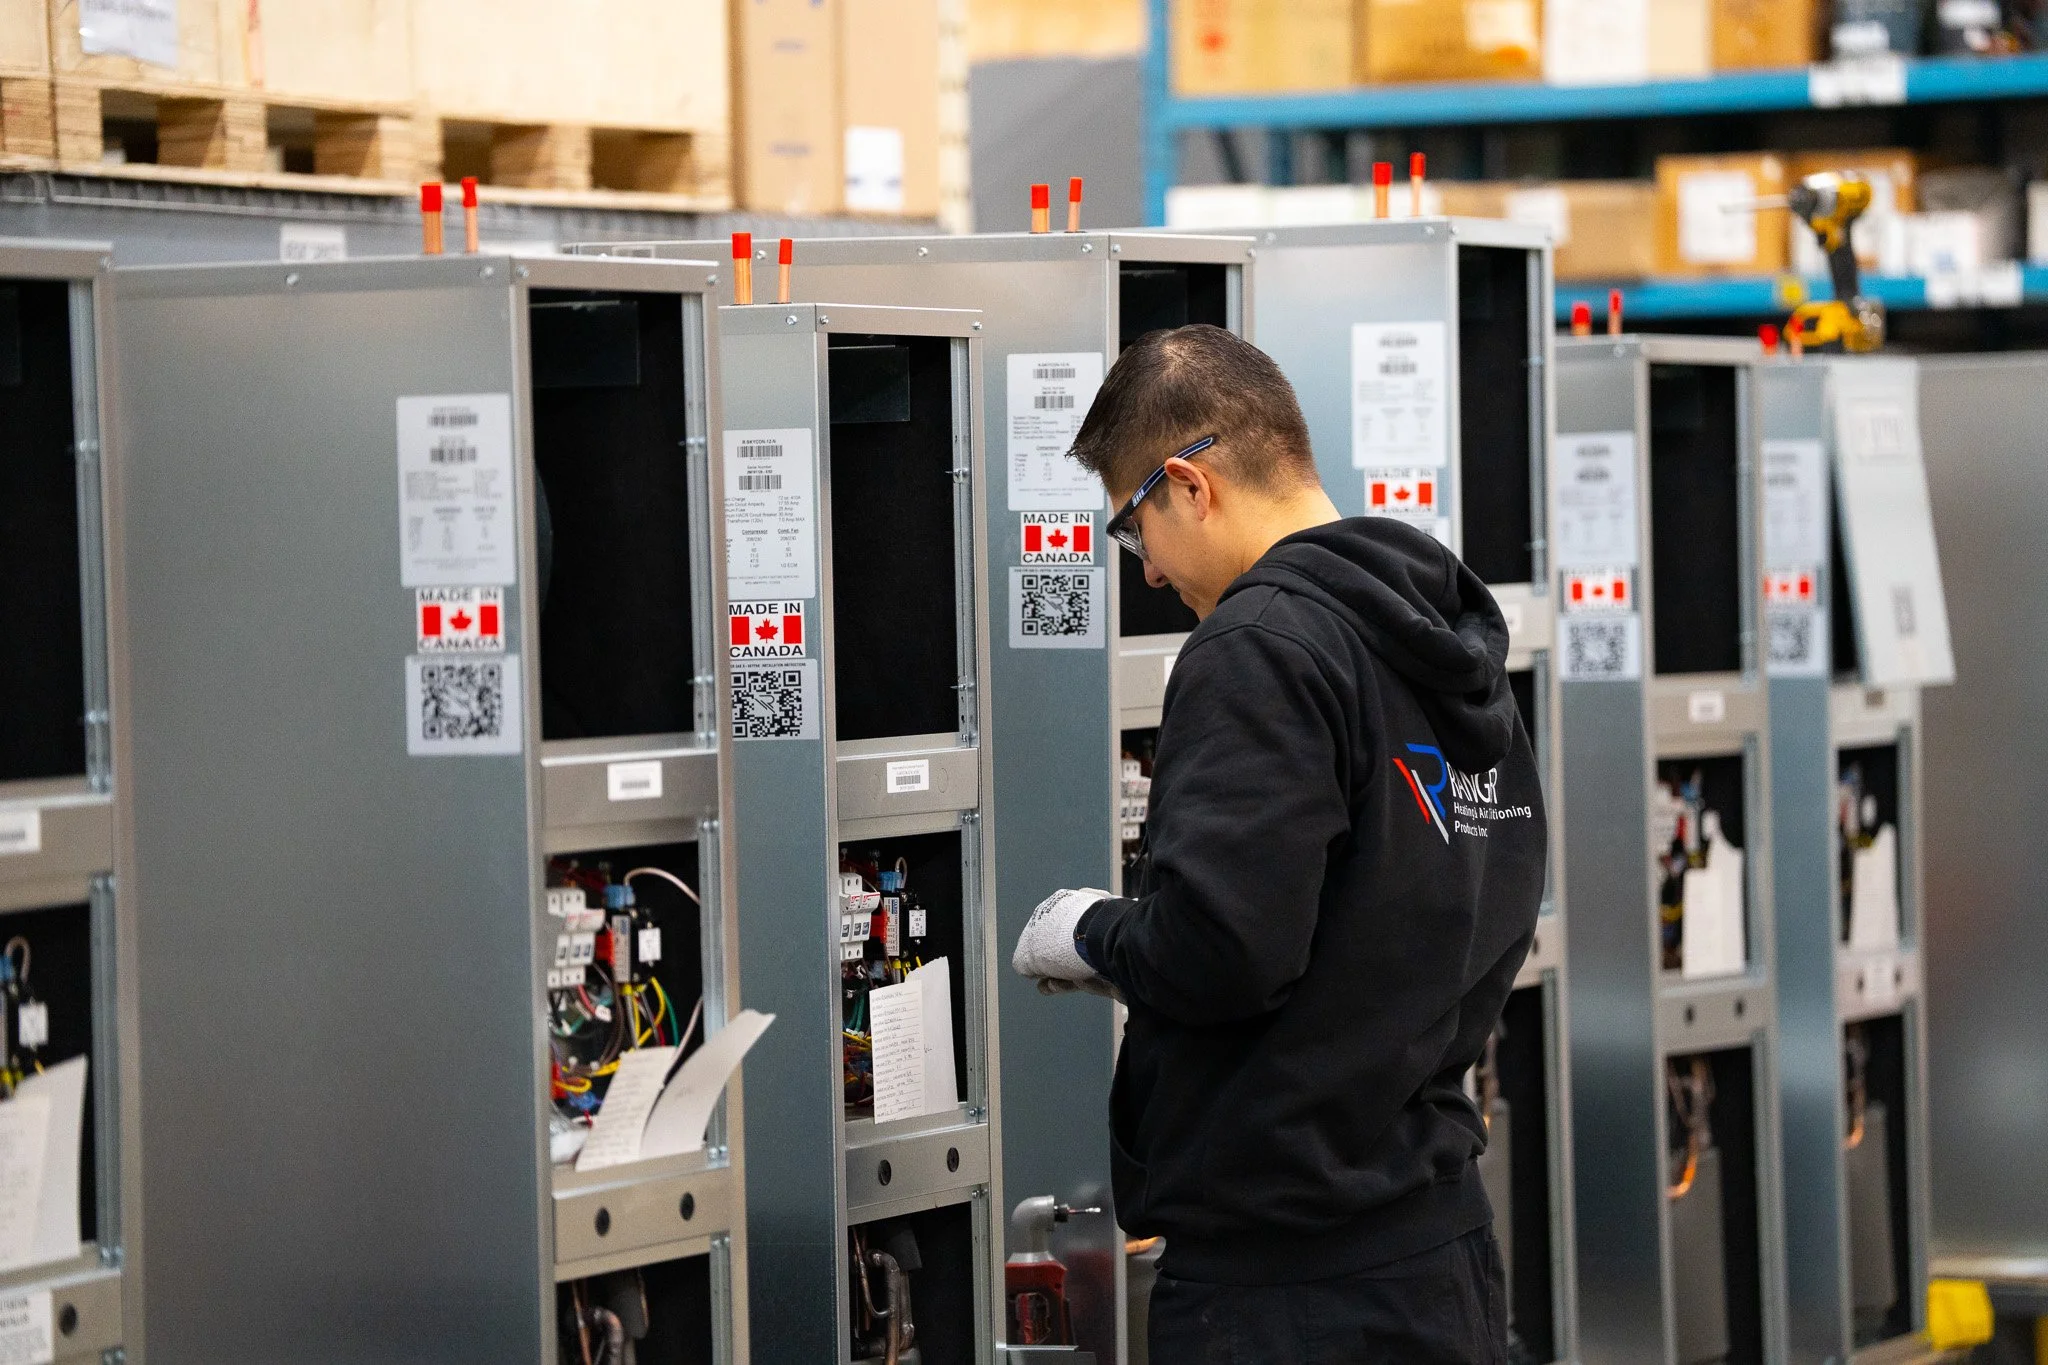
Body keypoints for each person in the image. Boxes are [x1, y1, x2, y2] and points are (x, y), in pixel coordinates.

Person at [1010, 324, 1546, 1364]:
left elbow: (1223, 953)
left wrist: (1091, 936)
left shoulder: (1257, 648)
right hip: (1436, 1257)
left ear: (1187, 485)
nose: (1150, 575)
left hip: (1289, 1292)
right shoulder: (1440, 637)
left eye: (1133, 529)